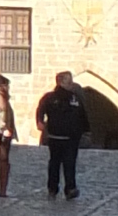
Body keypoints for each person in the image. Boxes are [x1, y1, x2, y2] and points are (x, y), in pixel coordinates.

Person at [36, 67, 89, 201]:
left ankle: (70, 188)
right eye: (68, 80)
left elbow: (81, 114)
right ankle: (53, 187)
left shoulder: (75, 97)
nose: (71, 83)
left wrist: (85, 130)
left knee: (69, 163)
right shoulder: (50, 98)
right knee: (55, 163)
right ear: (61, 82)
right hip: (56, 135)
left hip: (72, 137)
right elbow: (40, 109)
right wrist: (40, 122)